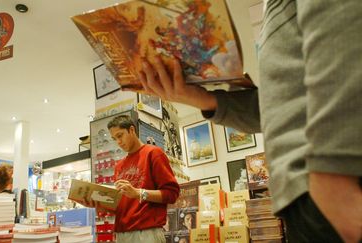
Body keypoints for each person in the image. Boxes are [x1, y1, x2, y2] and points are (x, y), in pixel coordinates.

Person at [135, 1, 362, 242]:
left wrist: (334, 170)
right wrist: (204, 99)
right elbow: (276, 109)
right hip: (311, 192)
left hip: (332, 186)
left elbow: (340, 29)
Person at [86, 115, 180, 243]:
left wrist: (138, 193)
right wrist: (100, 204)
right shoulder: (119, 166)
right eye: (114, 139)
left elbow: (172, 194)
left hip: (146, 232)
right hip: (122, 233)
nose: (118, 142)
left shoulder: (153, 153)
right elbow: (122, 204)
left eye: (120, 135)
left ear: (131, 130)